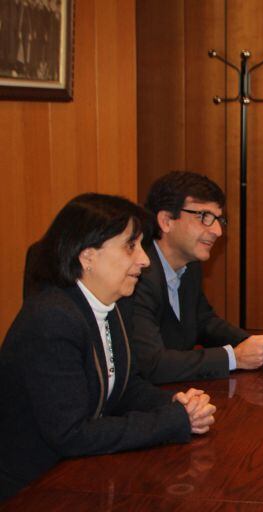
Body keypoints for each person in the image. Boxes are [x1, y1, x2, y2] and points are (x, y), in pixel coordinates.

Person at [0, 193, 216, 501]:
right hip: (33, 488)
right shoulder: (51, 318)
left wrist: (175, 404)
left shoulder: (110, 304)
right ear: (87, 256)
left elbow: (123, 389)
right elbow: (72, 434)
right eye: (131, 246)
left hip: (80, 475)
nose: (143, 259)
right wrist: (172, 421)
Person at [131, 171, 263, 384]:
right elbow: (152, 364)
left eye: (219, 219)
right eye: (204, 217)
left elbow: (204, 322)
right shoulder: (136, 275)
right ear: (166, 221)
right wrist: (235, 358)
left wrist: (252, 343)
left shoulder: (191, 266)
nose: (218, 231)